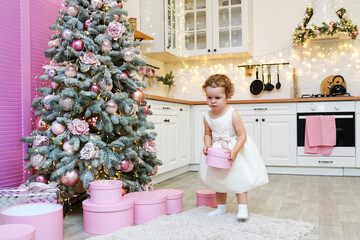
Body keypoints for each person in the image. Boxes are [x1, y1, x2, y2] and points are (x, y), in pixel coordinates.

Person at [198, 74, 269, 220]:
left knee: (238, 179)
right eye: (209, 98)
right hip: (217, 152)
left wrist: (235, 151)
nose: (213, 101)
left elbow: (242, 135)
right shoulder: (207, 116)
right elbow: (207, 133)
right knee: (218, 181)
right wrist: (207, 145)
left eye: (217, 98)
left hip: (233, 150)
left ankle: (242, 209)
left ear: (228, 96)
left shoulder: (232, 114)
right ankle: (221, 208)